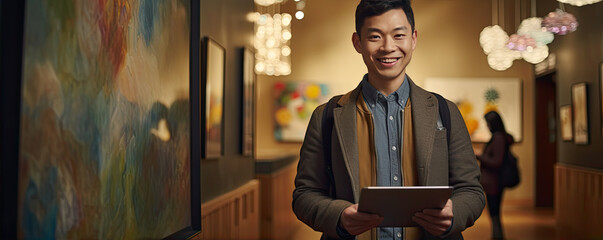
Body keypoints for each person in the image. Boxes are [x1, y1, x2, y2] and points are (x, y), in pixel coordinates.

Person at [292, 0, 485, 239]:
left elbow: (472, 191)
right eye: (375, 36)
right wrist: (339, 216)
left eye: (398, 35)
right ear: (357, 42)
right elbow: (304, 195)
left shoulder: (445, 111)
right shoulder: (327, 115)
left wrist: (453, 214)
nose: (388, 47)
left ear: (413, 38)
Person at [476, 111, 514, 240]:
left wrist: (480, 156)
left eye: (488, 124)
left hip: (495, 182)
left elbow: (497, 161)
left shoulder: (498, 138)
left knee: (494, 213)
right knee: (494, 212)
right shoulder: (500, 137)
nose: (487, 126)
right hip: (495, 182)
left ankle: (497, 237)